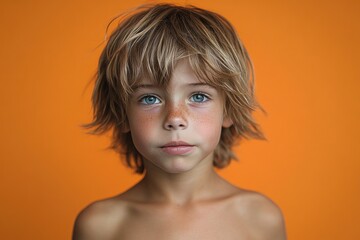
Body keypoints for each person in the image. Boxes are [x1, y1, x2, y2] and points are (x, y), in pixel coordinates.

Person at [72, 3, 286, 239]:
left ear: (228, 110)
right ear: (122, 113)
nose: (175, 119)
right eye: (150, 98)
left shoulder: (260, 219)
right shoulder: (100, 226)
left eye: (198, 96)